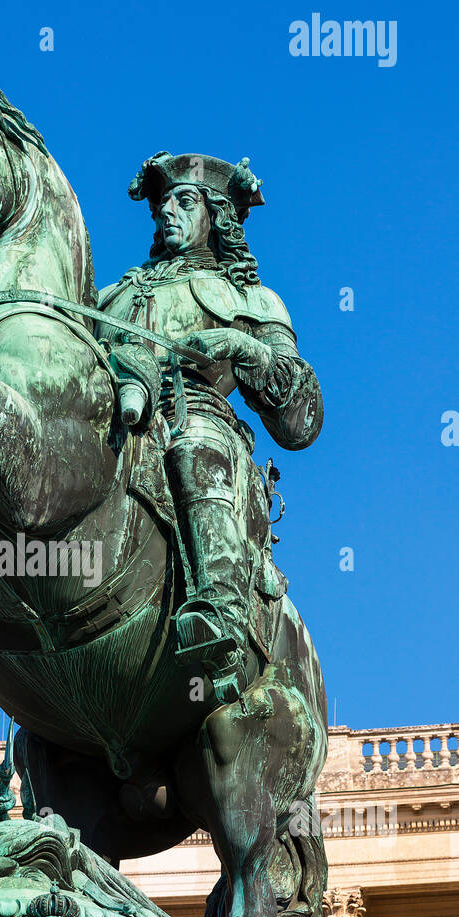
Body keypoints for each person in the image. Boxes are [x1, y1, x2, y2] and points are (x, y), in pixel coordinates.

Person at [98, 154, 323, 701]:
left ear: (218, 215)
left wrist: (241, 346)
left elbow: (303, 418)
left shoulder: (250, 299)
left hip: (193, 415)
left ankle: (220, 608)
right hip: (108, 417)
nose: (166, 212)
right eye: (163, 204)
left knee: (196, 442)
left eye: (184, 201)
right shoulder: (111, 296)